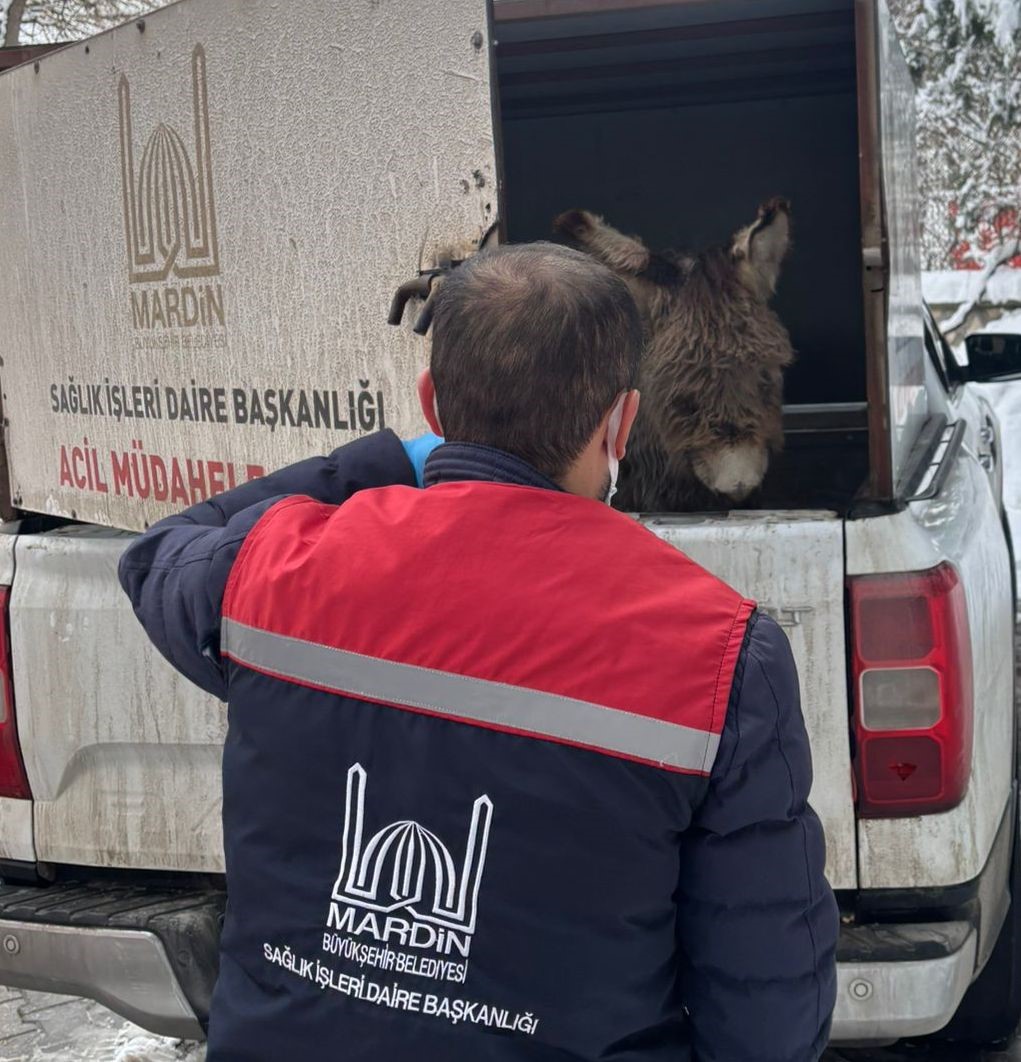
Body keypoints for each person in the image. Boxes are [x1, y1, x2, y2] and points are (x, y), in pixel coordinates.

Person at [119, 242, 838, 1061]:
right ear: (621, 423)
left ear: (431, 404)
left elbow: (160, 554)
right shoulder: (721, 655)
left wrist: (378, 464)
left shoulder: (274, 565)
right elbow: (765, 1015)